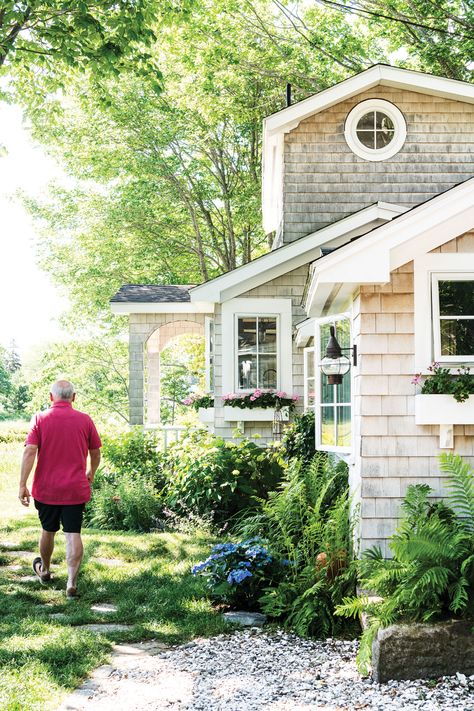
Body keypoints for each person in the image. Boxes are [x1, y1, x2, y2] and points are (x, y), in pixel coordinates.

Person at [19, 380, 101, 598]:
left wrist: (22, 484)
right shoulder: (85, 420)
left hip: (47, 489)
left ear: (51, 397)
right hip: (75, 489)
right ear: (73, 397)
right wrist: (92, 472)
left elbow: (29, 451)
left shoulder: (40, 418)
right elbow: (95, 451)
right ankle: (71, 582)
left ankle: (45, 570)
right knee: (73, 532)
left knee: (48, 529)